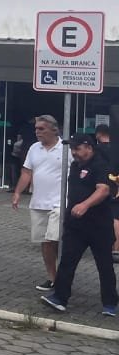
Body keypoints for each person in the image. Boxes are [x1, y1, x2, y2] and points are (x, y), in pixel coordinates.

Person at [40, 134, 118, 316]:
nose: (73, 153)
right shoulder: (75, 166)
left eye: (76, 148)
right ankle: (59, 298)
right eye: (72, 149)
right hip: (76, 226)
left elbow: (104, 190)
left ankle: (110, 303)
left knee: (104, 265)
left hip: (99, 226)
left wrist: (85, 205)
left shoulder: (101, 165)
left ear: (88, 147)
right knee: (67, 261)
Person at [12, 115, 66, 292]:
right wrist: (18, 192)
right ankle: (52, 277)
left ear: (53, 129)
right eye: (36, 129)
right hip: (38, 202)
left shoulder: (65, 148)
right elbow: (27, 172)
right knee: (45, 242)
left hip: (60, 202)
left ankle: (64, 275)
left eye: (41, 129)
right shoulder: (34, 148)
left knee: (54, 238)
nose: (37, 132)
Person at [96, 124, 119, 264]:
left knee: (113, 218)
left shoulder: (98, 149)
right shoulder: (116, 148)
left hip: (107, 186)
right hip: (117, 184)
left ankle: (113, 249)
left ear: (99, 134)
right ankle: (116, 248)